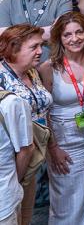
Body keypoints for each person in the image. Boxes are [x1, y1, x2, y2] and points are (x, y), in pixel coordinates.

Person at [37, 12, 84, 225]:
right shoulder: (49, 68)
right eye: (67, 35)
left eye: (79, 32)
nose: (75, 39)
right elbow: (43, 113)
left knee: (82, 192)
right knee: (65, 196)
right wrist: (53, 148)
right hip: (64, 140)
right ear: (59, 39)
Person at [0, 23, 49, 224]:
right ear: (14, 47)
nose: (40, 52)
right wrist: (18, 179)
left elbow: (43, 110)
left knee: (25, 215)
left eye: (41, 45)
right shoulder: (2, 78)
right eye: (34, 47)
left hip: (35, 155)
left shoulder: (32, 72)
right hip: (16, 161)